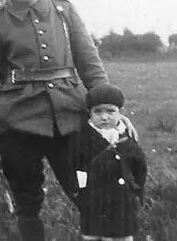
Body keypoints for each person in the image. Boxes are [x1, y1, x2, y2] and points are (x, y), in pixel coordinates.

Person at [0, 0, 138, 241]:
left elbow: (89, 63)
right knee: (27, 204)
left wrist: (112, 110)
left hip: (69, 118)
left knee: (92, 192)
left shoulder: (64, 11)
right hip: (16, 125)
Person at [71, 83, 148, 241]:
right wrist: (80, 192)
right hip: (94, 201)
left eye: (111, 111)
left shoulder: (126, 140)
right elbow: (75, 167)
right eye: (97, 111)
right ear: (89, 113)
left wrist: (137, 191)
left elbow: (140, 167)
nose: (104, 117)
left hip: (122, 203)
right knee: (93, 234)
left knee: (121, 235)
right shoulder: (84, 140)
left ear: (120, 113)